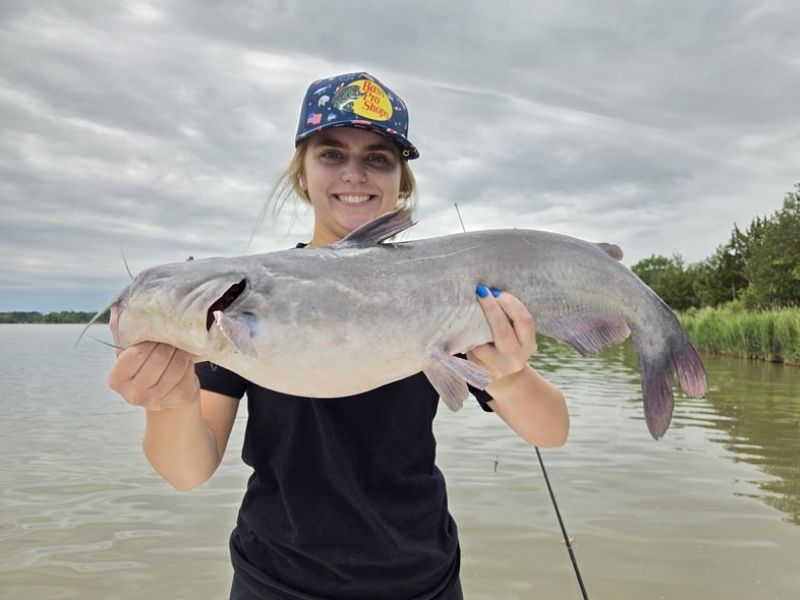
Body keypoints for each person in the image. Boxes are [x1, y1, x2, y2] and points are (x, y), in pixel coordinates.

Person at [108, 72, 569, 600]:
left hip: (420, 578)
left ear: (403, 182)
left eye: (378, 158)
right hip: (275, 580)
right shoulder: (237, 299)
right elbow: (187, 473)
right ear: (302, 174)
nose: (355, 173)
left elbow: (551, 432)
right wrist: (170, 403)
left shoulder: (446, 288)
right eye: (331, 154)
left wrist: (509, 377)